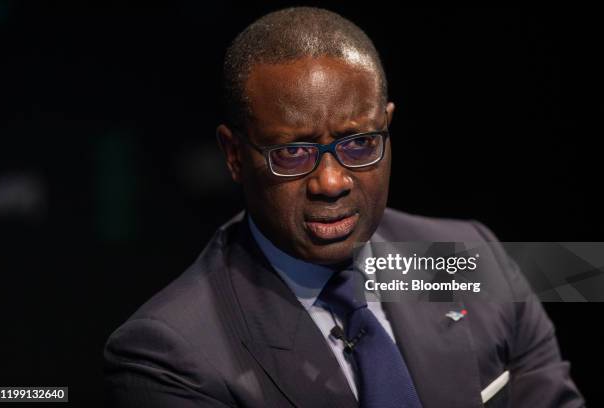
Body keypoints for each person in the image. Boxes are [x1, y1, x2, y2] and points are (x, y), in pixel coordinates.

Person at [104, 7, 584, 407]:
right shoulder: (170, 355)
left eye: (358, 143)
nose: (331, 182)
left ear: (387, 125)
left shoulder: (473, 256)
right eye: (293, 152)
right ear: (234, 155)